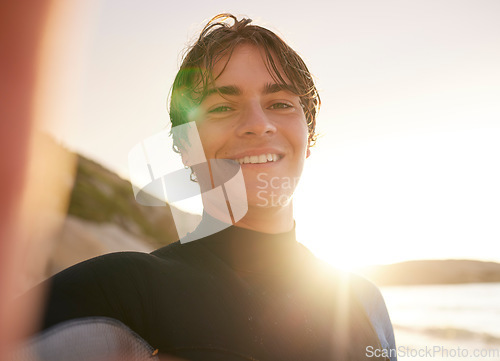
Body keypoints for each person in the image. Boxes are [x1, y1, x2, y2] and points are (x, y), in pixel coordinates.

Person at [22, 14, 396, 361]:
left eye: (280, 103)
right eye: (222, 108)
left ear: (308, 134)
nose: (258, 123)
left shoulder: (365, 304)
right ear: (185, 145)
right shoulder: (123, 294)